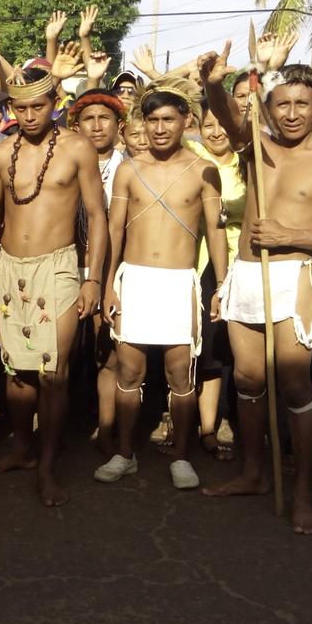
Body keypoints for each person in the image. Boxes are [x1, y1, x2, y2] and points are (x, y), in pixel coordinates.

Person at [199, 44, 312, 534]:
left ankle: (301, 494)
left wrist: (290, 236)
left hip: (296, 277)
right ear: (268, 108)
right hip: (248, 275)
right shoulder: (257, 143)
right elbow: (229, 121)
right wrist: (211, 85)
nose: (292, 114)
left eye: (302, 104)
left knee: (294, 384)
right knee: (248, 381)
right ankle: (253, 474)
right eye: (282, 105)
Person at [0, 68, 108, 506]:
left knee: (53, 375)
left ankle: (47, 467)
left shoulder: (77, 148)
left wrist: (94, 278)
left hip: (60, 267)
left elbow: (98, 217)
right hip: (10, 268)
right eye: (20, 107)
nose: (29, 116)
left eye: (38, 106)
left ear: (55, 102)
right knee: (17, 373)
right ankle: (22, 450)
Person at [98, 76, 228, 488]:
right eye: (152, 119)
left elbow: (216, 231)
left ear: (185, 120)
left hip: (179, 283)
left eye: (168, 119)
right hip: (133, 279)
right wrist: (106, 285)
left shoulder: (204, 169)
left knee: (180, 374)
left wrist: (222, 285)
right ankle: (125, 452)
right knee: (129, 372)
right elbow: (114, 230)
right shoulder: (128, 169)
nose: (158, 128)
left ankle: (182, 456)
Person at [184, 97, 247, 460]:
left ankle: (224, 422)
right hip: (198, 260)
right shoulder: (191, 155)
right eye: (208, 124)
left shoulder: (249, 163)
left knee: (231, 352)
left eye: (223, 123)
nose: (216, 131)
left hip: (241, 263)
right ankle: (193, 424)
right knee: (199, 349)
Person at [69, 89, 126, 456]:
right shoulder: (63, 162)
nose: (97, 126)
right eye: (88, 119)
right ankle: (66, 425)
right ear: (76, 125)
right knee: (65, 351)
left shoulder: (131, 166)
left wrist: (108, 279)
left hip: (114, 269)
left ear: (120, 126)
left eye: (104, 118)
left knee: (109, 352)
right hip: (66, 265)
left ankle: (107, 428)